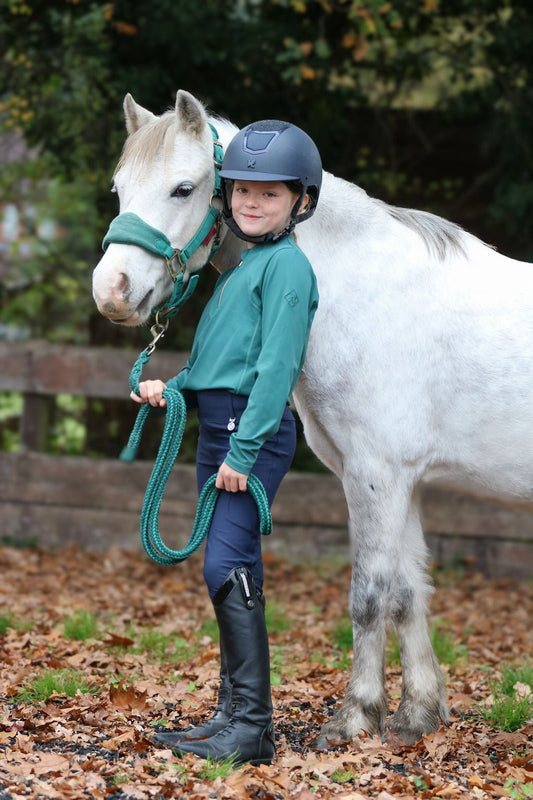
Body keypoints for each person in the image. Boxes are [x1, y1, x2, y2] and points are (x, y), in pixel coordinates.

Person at [131, 120, 322, 765]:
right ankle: (232, 717)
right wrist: (173, 386)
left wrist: (244, 452)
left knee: (226, 566)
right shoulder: (244, 267)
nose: (251, 202)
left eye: (269, 194)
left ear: (301, 201)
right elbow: (221, 361)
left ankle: (253, 726)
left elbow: (275, 368)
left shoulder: (288, 268)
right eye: (242, 190)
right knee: (228, 567)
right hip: (220, 429)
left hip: (249, 434)